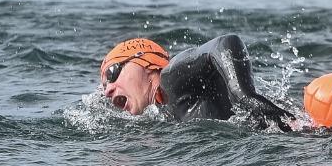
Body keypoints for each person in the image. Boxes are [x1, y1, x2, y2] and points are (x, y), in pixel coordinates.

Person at [99, 35, 299, 129]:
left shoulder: (170, 77)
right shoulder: (163, 115)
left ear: (146, 61)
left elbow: (224, 43)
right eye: (104, 86)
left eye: (112, 73)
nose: (107, 90)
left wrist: (243, 94)